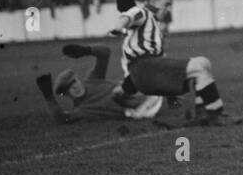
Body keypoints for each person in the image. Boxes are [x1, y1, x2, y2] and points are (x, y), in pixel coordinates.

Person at [96, 0, 232, 125]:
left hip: (143, 73)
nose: (169, 9)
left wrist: (123, 91)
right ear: (154, 1)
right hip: (144, 68)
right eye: (167, 4)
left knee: (204, 64)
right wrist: (118, 28)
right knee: (199, 65)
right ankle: (216, 114)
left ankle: (202, 113)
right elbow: (128, 15)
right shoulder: (144, 12)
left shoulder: (152, 26)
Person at [33, 43, 171, 126]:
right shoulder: (82, 110)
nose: (75, 86)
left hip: (150, 94)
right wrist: (48, 96)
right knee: (119, 90)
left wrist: (86, 50)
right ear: (67, 94)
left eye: (74, 81)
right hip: (142, 110)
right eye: (69, 88)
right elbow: (62, 118)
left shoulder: (92, 79)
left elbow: (105, 52)